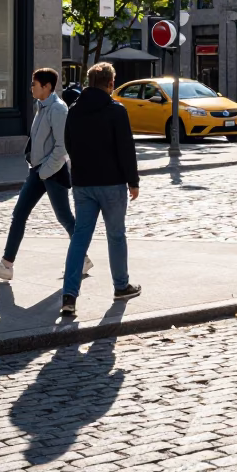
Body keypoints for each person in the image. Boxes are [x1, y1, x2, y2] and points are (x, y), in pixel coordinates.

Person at [0, 68, 89, 282]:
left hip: (52, 172)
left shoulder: (58, 110)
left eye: (34, 84)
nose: (31, 88)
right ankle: (7, 264)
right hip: (39, 171)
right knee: (19, 214)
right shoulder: (41, 106)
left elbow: (62, 147)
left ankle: (82, 258)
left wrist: (44, 171)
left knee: (65, 217)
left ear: (47, 87)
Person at [60, 62, 141, 318]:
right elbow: (126, 149)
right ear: (110, 83)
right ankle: (121, 286)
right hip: (112, 183)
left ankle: (69, 296)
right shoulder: (116, 110)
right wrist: (133, 181)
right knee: (116, 235)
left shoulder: (74, 111)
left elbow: (68, 144)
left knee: (80, 238)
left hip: (83, 184)